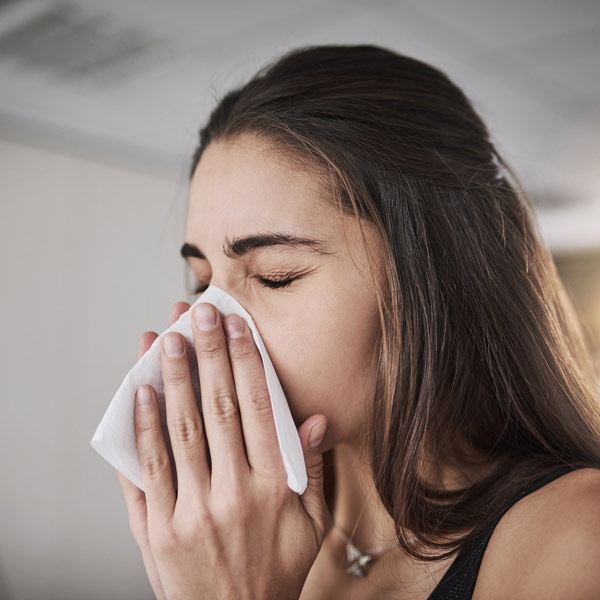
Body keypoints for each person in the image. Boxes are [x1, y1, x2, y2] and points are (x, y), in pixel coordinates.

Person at [116, 44, 600, 599]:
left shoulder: (576, 536)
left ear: (432, 277)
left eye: (276, 275)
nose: (208, 331)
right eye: (203, 282)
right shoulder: (250, 532)